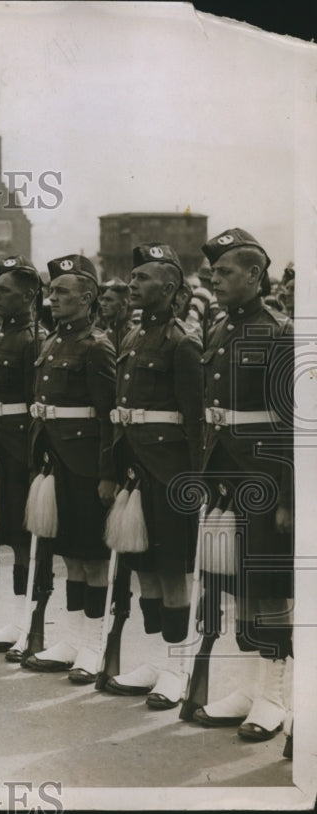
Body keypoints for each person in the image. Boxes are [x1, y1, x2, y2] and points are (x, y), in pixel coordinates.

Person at [191, 228, 293, 748]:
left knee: (269, 589)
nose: (215, 279)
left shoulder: (279, 331)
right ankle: (247, 689)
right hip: (226, 476)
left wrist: (290, 500)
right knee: (235, 586)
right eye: (212, 273)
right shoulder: (221, 328)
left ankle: (276, 696)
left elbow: (296, 425)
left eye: (226, 271)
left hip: (265, 478)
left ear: (255, 275)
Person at [101, 244, 203, 708]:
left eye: (142, 278)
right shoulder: (133, 337)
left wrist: (194, 480)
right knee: (143, 567)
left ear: (169, 288)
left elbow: (195, 420)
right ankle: (151, 660)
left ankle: (176, 669)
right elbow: (119, 413)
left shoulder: (182, 343)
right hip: (134, 467)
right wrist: (111, 469)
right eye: (133, 276)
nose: (134, 284)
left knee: (172, 569)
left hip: (168, 470)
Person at [20, 255, 116, 681]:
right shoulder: (53, 342)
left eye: (62, 291)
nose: (52, 297)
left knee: (93, 558)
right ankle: (73, 639)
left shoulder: (97, 346)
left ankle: (94, 645)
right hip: (56, 461)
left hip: (86, 464)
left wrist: (108, 472)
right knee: (69, 557)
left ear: (88, 297)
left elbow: (109, 415)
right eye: (51, 290)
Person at [0, 257, 44, 653]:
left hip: (20, 448)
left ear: (29, 296)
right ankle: (8, 617)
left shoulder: (33, 339)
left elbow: (35, 402)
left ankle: (27, 625)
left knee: (22, 538)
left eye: (5, 291)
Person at [97, 279, 134, 351]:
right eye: (102, 299)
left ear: (123, 303)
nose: (103, 304)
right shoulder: (100, 329)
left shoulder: (131, 334)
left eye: (109, 300)